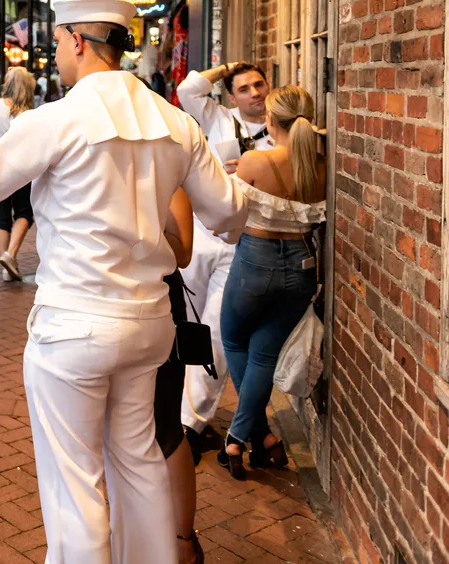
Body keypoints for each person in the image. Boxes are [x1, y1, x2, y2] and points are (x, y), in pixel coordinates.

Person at [0, 0, 248, 563]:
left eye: (59, 42)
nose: (58, 53)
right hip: (148, 323)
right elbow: (229, 213)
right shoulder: (174, 122)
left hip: (75, 327)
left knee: (76, 483)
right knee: (138, 465)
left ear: (79, 42)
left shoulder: (57, 119)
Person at [218, 85, 326, 480]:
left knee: (233, 339)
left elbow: (229, 219)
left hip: (255, 262)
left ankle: (236, 436)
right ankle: (258, 435)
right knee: (264, 354)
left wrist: (238, 179)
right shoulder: (321, 165)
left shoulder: (252, 161)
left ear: (270, 121)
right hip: (301, 267)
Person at [175, 61, 273, 458]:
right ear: (232, 96)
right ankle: (174, 407)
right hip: (200, 236)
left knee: (216, 330)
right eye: (245, 88)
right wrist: (227, 68)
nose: (254, 93)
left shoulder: (282, 131)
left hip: (244, 245)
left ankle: (191, 421)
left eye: (259, 84)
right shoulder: (217, 117)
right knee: (186, 323)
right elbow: (186, 91)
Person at [155, 188, 206, 564]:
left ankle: (184, 539)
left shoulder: (170, 176)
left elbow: (183, 252)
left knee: (165, 424)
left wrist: (136, 235)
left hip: (159, 308)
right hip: (116, 308)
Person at [0, 66, 35, 282]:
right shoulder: (27, 113)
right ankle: (11, 254)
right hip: (21, 168)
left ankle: (6, 267)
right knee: (24, 212)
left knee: (1, 217)